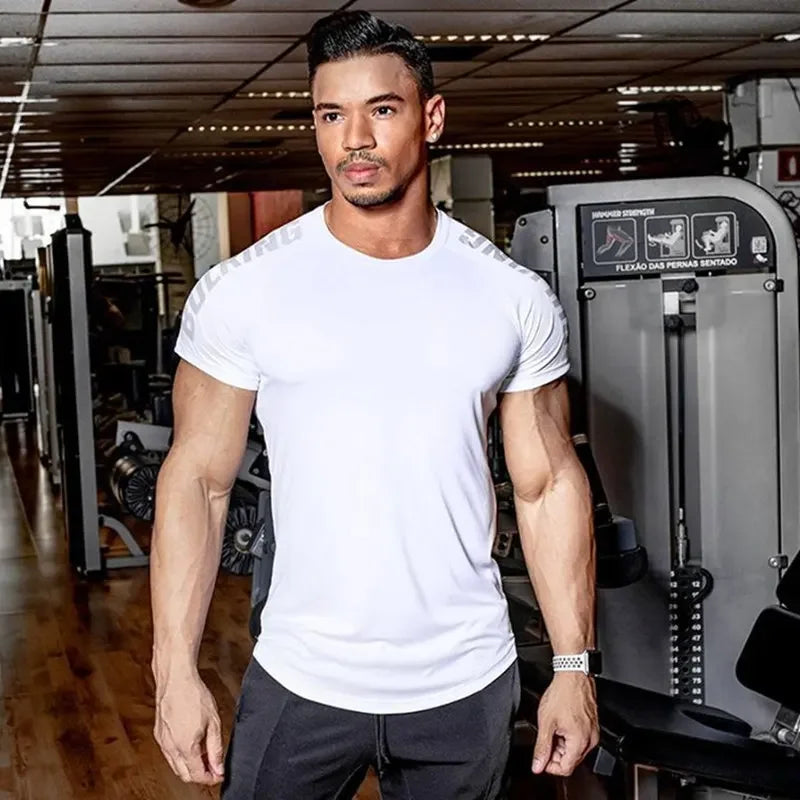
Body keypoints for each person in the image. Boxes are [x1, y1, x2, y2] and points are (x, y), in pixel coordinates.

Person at [150, 10, 599, 799]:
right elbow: (196, 483)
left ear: (430, 116)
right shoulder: (245, 292)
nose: (353, 138)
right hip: (301, 675)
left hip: (464, 681)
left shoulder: (509, 296)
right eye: (331, 114)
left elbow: (547, 485)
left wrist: (572, 666)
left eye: (380, 110)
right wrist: (173, 672)